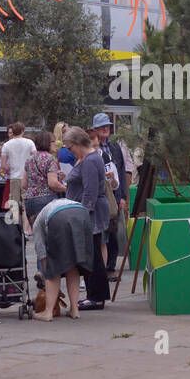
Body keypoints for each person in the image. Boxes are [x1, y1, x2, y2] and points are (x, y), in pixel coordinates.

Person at [63, 126, 110, 310]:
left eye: (69, 147)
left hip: (90, 215)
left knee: (93, 256)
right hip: (88, 213)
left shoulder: (90, 160)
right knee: (92, 255)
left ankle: (96, 297)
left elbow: (90, 193)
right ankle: (95, 294)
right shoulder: (88, 158)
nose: (68, 151)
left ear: (77, 143)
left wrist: (81, 215)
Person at [30, 197, 94, 321]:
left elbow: (43, 256)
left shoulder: (37, 224)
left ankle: (47, 313)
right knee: (73, 265)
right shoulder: (49, 208)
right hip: (82, 213)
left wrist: (49, 277)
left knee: (53, 269)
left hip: (59, 217)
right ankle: (75, 310)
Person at [91, 113, 128, 270]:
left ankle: (110, 267)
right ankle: (99, 266)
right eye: (102, 126)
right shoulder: (91, 149)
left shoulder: (115, 147)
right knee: (99, 233)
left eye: (107, 126)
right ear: (95, 129)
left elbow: (121, 170)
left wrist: (123, 197)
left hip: (114, 194)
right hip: (98, 195)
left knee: (113, 232)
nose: (106, 128)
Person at [22, 130, 65, 233]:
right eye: (53, 141)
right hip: (46, 199)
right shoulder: (50, 159)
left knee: (38, 235)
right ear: (47, 143)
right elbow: (52, 184)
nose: (56, 144)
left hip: (30, 201)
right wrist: (66, 188)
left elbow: (24, 184)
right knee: (50, 234)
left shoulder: (29, 159)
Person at [1, 122, 35, 211]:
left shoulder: (6, 145)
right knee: (26, 206)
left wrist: (10, 168)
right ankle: (26, 224)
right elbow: (35, 159)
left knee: (14, 206)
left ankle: (14, 223)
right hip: (27, 177)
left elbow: (3, 165)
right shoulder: (30, 142)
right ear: (22, 131)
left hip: (14, 177)